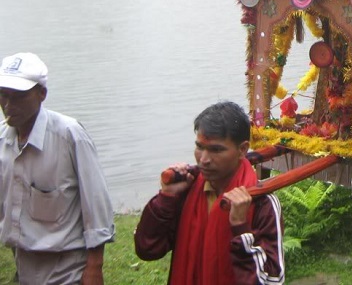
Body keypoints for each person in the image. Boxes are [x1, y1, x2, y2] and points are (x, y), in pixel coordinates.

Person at [134, 101, 285, 285]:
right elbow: (147, 249)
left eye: (216, 150)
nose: (204, 160)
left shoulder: (262, 203)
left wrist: (240, 229)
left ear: (242, 150)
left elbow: (271, 280)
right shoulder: (185, 191)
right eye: (199, 147)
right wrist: (166, 199)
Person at [0, 52, 115, 285]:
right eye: (3, 95)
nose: (9, 105)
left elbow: (96, 203)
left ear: (42, 94)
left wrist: (94, 267)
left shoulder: (69, 136)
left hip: (66, 268)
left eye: (19, 97)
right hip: (23, 263)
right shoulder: (3, 140)